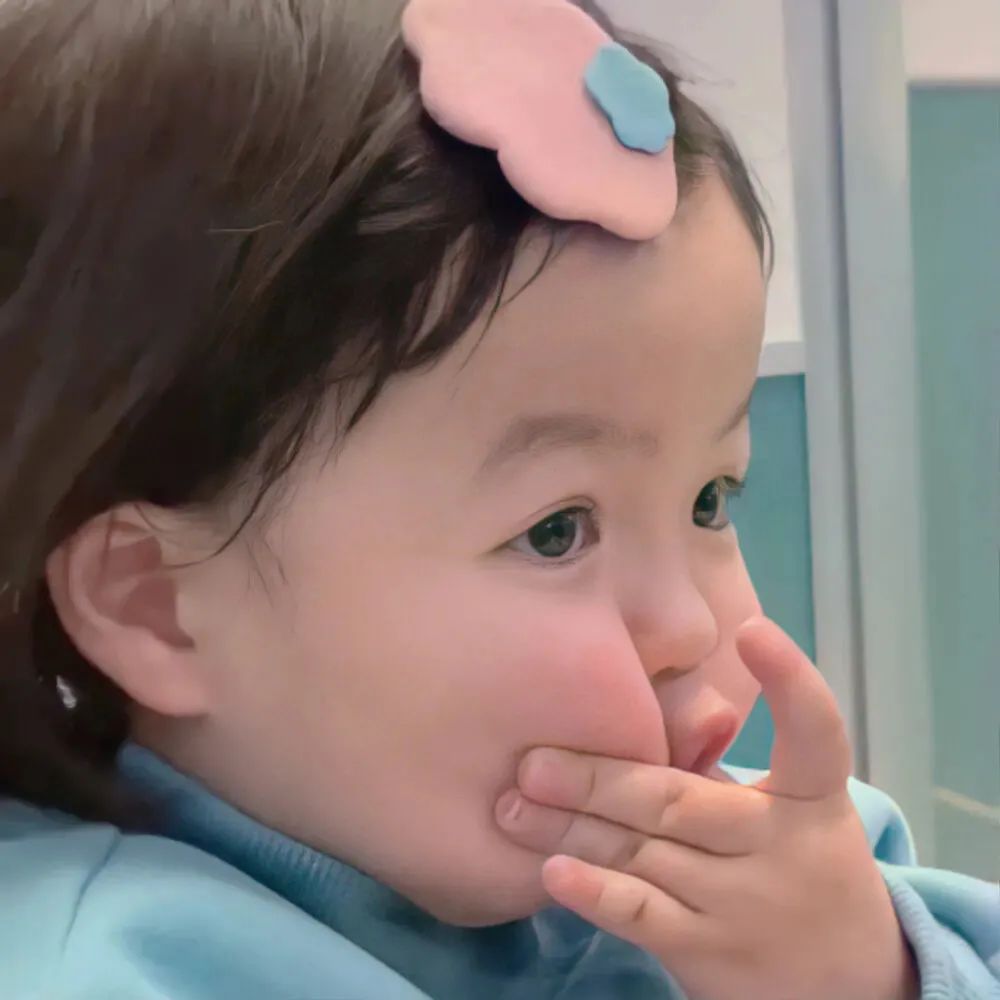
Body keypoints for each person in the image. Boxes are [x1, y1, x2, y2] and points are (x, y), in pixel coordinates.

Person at [0, 1, 997, 998]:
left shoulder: (773, 863)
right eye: (557, 531)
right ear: (160, 606)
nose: (696, 628)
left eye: (709, 498)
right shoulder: (107, 971)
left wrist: (871, 974)